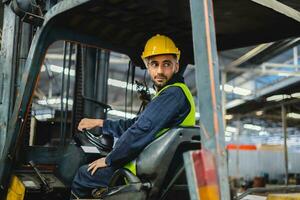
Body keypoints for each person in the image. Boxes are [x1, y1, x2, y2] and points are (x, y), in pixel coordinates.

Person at [71, 34, 196, 198]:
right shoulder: (172, 94)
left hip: (141, 173)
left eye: (166, 64)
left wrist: (110, 159)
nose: (160, 71)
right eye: (154, 64)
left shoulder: (172, 95)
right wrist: (101, 123)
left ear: (176, 66)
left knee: (83, 175)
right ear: (147, 66)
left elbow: (139, 131)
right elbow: (136, 124)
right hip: (154, 169)